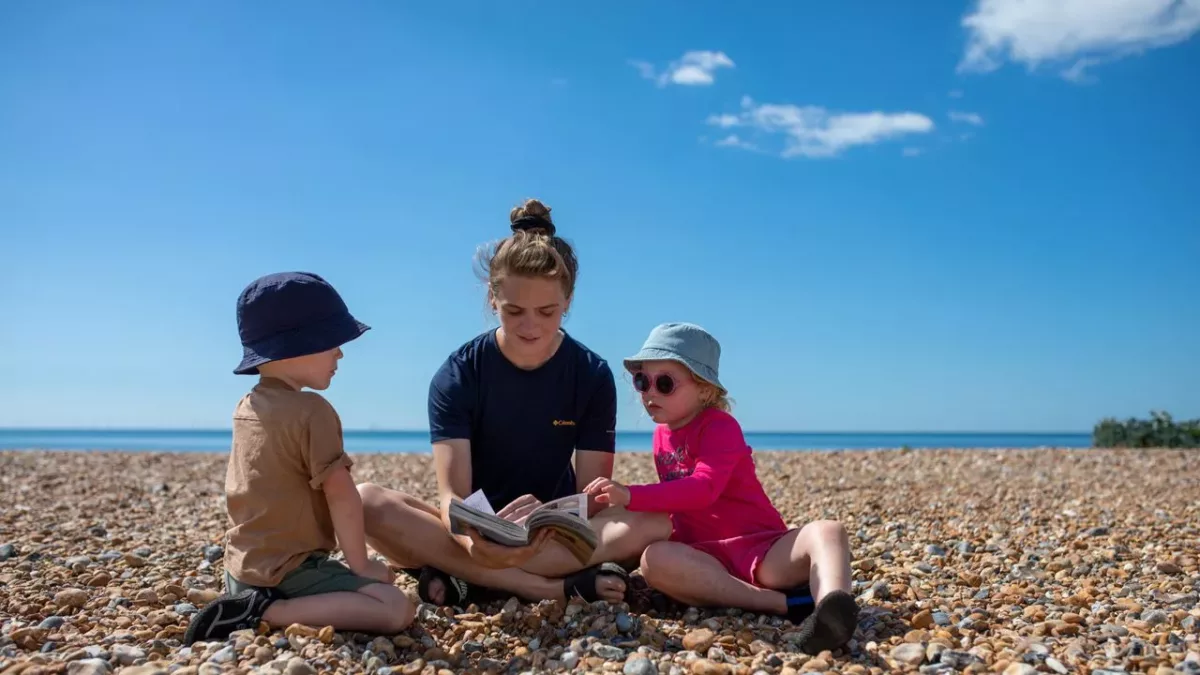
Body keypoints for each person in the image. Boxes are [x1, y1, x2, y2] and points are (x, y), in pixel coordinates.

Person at [355, 199, 672, 607]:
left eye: (547, 311)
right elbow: (453, 496)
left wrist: (547, 519)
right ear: (492, 299)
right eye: (514, 310)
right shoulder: (458, 375)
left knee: (655, 523)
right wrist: (475, 544)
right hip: (475, 532)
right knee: (365, 501)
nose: (530, 325)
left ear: (568, 301)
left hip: (553, 532)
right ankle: (540, 587)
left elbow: (591, 495)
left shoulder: (590, 375)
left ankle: (466, 577)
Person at [585, 322, 859, 654]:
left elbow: (703, 489)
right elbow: (677, 504)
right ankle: (783, 605)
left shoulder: (720, 426)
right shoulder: (661, 436)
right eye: (642, 381)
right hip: (705, 556)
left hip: (763, 550)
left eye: (665, 383)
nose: (650, 393)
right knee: (653, 559)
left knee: (828, 531)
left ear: (705, 390)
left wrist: (631, 494)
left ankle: (832, 606)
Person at [183, 272, 415, 645]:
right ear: (299, 344)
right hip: (287, 573)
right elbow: (342, 495)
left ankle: (243, 599)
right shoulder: (312, 411)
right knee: (396, 606)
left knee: (380, 588)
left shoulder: (247, 406)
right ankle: (266, 612)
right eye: (333, 342)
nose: (340, 353)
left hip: (241, 569)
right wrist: (362, 565)